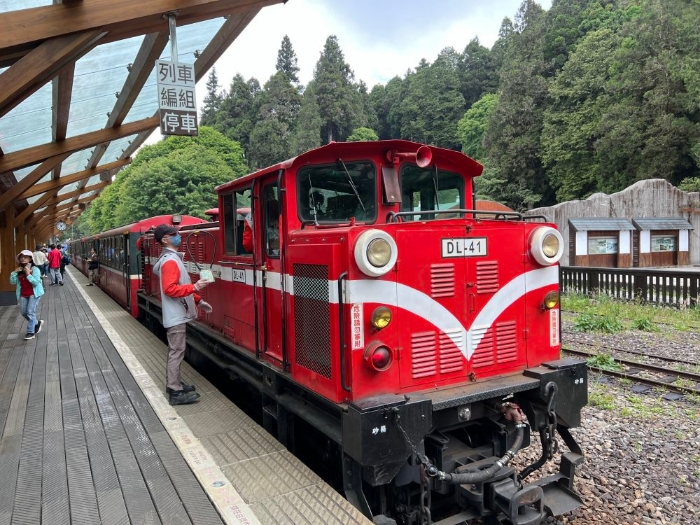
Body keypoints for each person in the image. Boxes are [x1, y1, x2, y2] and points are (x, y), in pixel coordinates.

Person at [152, 224, 212, 406]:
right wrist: (195, 287)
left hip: (178, 312)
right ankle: (175, 391)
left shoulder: (170, 259)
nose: (179, 236)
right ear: (165, 239)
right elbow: (170, 289)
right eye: (174, 234)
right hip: (176, 315)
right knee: (176, 351)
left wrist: (199, 300)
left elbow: (180, 285)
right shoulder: (170, 261)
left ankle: (175, 384)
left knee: (177, 350)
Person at [9, 250, 45, 340]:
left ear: (30, 259)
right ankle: (37, 323)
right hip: (24, 294)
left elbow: (36, 282)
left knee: (30, 312)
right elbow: (12, 282)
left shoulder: (35, 269)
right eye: (21, 257)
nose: (23, 258)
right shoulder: (19, 270)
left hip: (34, 293)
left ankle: (30, 332)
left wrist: (28, 274)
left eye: (25, 257)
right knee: (23, 312)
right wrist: (14, 272)